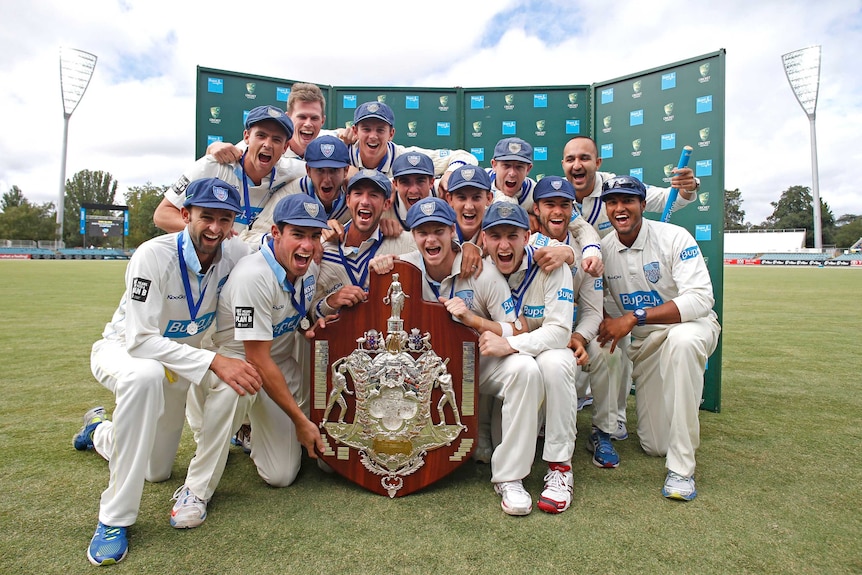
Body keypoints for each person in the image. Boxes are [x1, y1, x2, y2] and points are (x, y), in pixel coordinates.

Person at [72, 178, 260, 566]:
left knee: (156, 471)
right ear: (186, 215)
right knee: (145, 376)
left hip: (180, 360)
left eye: (225, 220)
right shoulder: (152, 255)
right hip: (125, 351)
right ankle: (113, 518)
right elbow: (140, 341)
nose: (215, 228)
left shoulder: (235, 253)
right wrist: (213, 361)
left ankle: (101, 432)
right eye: (206, 217)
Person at [368, 197, 543, 516]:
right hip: (419, 375)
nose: (431, 239)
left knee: (525, 369)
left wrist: (474, 321)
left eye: (438, 230)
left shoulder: (481, 271)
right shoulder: (402, 266)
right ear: (413, 235)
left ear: (453, 232)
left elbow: (516, 328)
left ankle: (511, 477)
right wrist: (376, 268)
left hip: (471, 364)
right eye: (422, 232)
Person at [170, 194, 330, 529]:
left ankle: (244, 429)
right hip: (236, 359)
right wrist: (301, 421)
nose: (307, 245)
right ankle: (195, 489)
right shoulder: (253, 276)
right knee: (240, 386)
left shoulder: (310, 266)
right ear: (275, 232)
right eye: (297, 234)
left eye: (314, 236)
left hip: (277, 361)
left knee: (282, 475)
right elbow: (257, 358)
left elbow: (297, 315)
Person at [561, 135, 700, 441]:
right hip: (580, 277)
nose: (577, 165)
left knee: (615, 343)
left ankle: (615, 417)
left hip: (614, 274)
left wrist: (688, 187)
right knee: (578, 340)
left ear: (597, 163)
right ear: (563, 164)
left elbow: (668, 197)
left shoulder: (613, 185)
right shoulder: (558, 191)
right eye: (570, 159)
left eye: (584, 158)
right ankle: (582, 399)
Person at [596, 175, 720, 501]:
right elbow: (600, 309)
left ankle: (682, 470)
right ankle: (676, 427)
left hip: (690, 326)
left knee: (682, 342)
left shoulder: (674, 237)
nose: (620, 208)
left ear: (642, 205)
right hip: (647, 344)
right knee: (655, 446)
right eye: (612, 202)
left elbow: (700, 300)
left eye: (628, 201)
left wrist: (635, 316)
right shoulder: (604, 248)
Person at [477, 202, 578, 514]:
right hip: (485, 360)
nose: (504, 245)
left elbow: (560, 333)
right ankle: (509, 474)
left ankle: (560, 468)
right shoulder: (476, 262)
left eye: (513, 235)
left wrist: (511, 344)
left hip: (524, 352)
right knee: (527, 366)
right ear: (483, 238)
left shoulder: (551, 263)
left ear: (527, 235)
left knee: (556, 361)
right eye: (495, 236)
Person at [530, 176, 620, 468]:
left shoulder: (586, 251)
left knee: (607, 349)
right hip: (535, 335)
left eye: (564, 205)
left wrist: (579, 338)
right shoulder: (524, 241)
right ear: (536, 208)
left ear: (573, 209)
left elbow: (594, 311)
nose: (557, 212)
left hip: (570, 335)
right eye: (550, 204)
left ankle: (603, 430)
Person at [153, 105, 303, 235]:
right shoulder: (212, 165)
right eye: (261, 135)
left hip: (250, 261)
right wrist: (211, 233)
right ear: (246, 136)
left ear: (285, 147)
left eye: (276, 139)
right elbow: (162, 215)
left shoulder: (291, 171)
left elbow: (321, 172)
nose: (267, 144)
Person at [311, 169, 416, 321]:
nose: (365, 201)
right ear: (348, 200)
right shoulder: (322, 248)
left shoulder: (405, 241)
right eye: (358, 193)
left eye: (373, 195)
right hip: (341, 341)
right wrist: (331, 302)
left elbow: (441, 253)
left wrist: (463, 247)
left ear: (386, 204)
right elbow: (309, 317)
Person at [239, 134, 353, 246]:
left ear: (346, 171)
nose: (327, 179)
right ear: (308, 170)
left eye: (334, 170)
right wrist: (301, 237)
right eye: (320, 170)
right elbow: (249, 239)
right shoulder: (289, 195)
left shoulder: (355, 198)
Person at [347, 101, 477, 191]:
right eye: (366, 129)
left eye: (380, 130)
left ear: (391, 134)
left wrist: (449, 174)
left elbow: (466, 156)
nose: (373, 136)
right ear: (355, 131)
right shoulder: (343, 151)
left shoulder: (406, 157)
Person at [207, 82, 330, 162]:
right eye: (302, 117)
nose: (308, 123)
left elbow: (341, 134)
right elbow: (218, 155)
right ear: (289, 118)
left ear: (322, 121)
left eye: (314, 118)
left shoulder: (328, 144)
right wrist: (213, 147)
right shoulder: (258, 146)